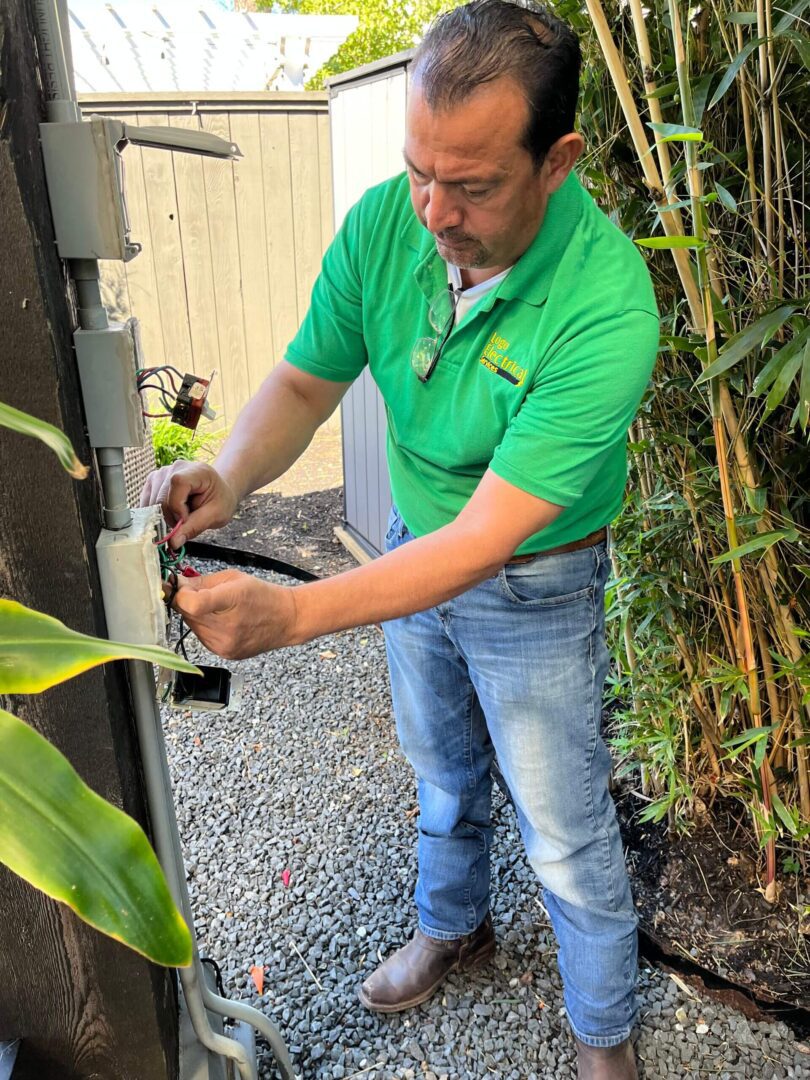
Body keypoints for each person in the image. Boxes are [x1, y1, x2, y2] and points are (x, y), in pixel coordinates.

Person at [141, 3, 658, 1076]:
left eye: (472, 185)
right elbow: (301, 381)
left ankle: (605, 1032)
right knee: (438, 767)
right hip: (415, 532)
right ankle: (452, 923)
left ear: (557, 159)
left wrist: (292, 614)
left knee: (563, 830)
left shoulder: (606, 306)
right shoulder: (388, 224)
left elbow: (483, 543)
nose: (434, 211)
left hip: (536, 579)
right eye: (420, 171)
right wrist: (228, 474)